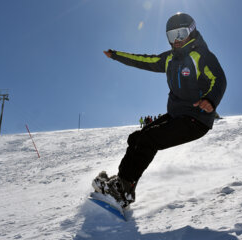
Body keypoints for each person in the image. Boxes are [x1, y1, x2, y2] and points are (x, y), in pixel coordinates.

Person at [92, 12, 227, 208]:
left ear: (192, 31)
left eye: (181, 34)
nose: (177, 40)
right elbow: (143, 60)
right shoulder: (169, 59)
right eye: (172, 36)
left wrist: (210, 100)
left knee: (148, 140)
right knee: (138, 137)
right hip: (176, 115)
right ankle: (123, 183)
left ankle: (122, 190)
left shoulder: (201, 56)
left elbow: (219, 79)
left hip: (196, 119)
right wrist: (116, 55)